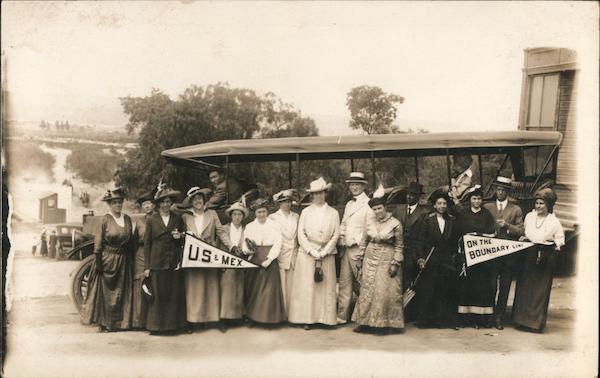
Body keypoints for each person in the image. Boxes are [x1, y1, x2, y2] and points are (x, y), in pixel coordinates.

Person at [288, 178, 340, 329]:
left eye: (321, 193)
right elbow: (300, 233)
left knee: (324, 286)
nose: (319, 196)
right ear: (312, 195)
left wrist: (324, 252)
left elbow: (336, 234)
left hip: (326, 253)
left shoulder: (333, 213)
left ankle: (325, 319)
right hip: (308, 254)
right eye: (315, 194)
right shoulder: (305, 212)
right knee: (308, 287)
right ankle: (308, 319)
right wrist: (311, 250)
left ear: (325, 193)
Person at [181, 187, 234, 331]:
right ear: (191, 202)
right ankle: (193, 320)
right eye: (195, 199)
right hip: (193, 255)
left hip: (209, 254)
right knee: (194, 287)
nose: (198, 201)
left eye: (200, 198)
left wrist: (231, 247)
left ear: (204, 200)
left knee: (211, 285)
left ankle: (214, 319)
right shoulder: (186, 216)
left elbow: (221, 232)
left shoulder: (212, 214)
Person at [81, 188, 134, 331]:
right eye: (114, 203)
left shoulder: (127, 219)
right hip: (107, 260)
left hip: (123, 261)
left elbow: (130, 241)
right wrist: (98, 262)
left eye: (119, 202)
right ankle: (104, 323)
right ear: (110, 205)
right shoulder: (105, 219)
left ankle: (119, 323)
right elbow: (98, 243)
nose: (118, 205)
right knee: (106, 293)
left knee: (120, 292)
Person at [512, 188, 565, 333]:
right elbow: (524, 231)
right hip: (528, 254)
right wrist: (523, 237)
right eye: (537, 203)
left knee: (539, 291)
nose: (538, 206)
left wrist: (556, 248)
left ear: (548, 205)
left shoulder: (554, 221)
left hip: (544, 257)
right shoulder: (529, 216)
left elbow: (560, 240)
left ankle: (535, 324)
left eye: (542, 203)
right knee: (524, 287)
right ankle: (520, 321)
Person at [351, 191, 404, 334]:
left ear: (385, 207)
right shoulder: (369, 222)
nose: (377, 211)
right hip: (369, 258)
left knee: (384, 291)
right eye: (374, 209)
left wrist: (395, 263)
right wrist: (360, 258)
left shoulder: (395, 223)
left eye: (379, 208)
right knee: (367, 290)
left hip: (387, 258)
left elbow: (399, 245)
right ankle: (364, 323)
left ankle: (385, 324)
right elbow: (364, 241)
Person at [144, 185, 187, 335]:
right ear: (158, 204)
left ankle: (172, 326)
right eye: (163, 202)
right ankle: (157, 327)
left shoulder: (177, 218)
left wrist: (179, 236)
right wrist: (147, 266)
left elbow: (184, 237)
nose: (166, 205)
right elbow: (147, 243)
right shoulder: (151, 219)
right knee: (158, 295)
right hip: (157, 261)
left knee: (173, 293)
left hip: (173, 261)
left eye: (168, 202)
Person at [483, 176, 524, 330]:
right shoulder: (488, 207)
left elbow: (521, 230)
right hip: (491, 254)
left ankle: (499, 316)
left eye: (503, 190)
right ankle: (490, 314)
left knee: (505, 286)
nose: (499, 192)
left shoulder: (515, 209)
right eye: (498, 189)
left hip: (508, 256)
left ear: (508, 192)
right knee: (491, 285)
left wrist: (507, 226)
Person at [414, 190, 459, 329]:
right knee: (429, 289)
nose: (442, 206)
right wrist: (420, 257)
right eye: (439, 203)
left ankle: (443, 320)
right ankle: (426, 320)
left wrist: (453, 256)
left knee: (445, 289)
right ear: (434, 205)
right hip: (430, 258)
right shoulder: (427, 219)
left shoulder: (451, 220)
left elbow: (455, 241)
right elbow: (420, 240)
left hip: (446, 260)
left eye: (444, 203)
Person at [453, 186, 497, 328]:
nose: (476, 201)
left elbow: (492, 233)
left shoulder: (486, 214)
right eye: (474, 198)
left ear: (482, 201)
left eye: (479, 199)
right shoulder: (464, 214)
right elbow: (458, 232)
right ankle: (465, 319)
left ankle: (479, 319)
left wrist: (479, 236)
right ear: (470, 200)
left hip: (482, 257)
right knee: (466, 286)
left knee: (481, 287)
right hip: (467, 257)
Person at [337, 172, 375, 324]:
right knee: (345, 283)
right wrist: (341, 236)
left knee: (363, 283)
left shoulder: (369, 203)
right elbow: (344, 223)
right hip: (345, 249)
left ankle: (366, 316)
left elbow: (370, 228)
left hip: (359, 249)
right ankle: (342, 316)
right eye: (352, 184)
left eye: (357, 184)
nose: (354, 187)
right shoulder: (349, 204)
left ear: (363, 186)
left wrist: (355, 240)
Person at [242, 198, 286, 325]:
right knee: (254, 288)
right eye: (259, 212)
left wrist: (270, 258)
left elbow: (278, 242)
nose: (261, 214)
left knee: (269, 289)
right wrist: (247, 251)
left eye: (264, 212)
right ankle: (254, 318)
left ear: (267, 212)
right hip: (255, 258)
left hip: (269, 257)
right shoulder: (250, 226)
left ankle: (269, 319)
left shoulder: (274, 225)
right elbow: (245, 243)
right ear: (255, 213)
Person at [392, 181, 429, 321]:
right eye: (408, 194)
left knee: (413, 282)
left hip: (415, 252)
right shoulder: (399, 209)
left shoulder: (424, 212)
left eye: (413, 195)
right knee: (398, 282)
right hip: (399, 250)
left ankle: (410, 313)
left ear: (419, 197)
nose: (409, 197)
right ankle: (399, 312)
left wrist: (420, 255)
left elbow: (424, 236)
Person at [269, 189, 300, 313]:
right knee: (282, 284)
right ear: (279, 203)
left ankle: (293, 314)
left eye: (288, 201)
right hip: (281, 254)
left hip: (294, 254)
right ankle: (282, 313)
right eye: (283, 202)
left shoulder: (296, 216)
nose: (286, 204)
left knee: (294, 285)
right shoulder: (273, 217)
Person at [220, 200, 249, 324]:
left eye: (240, 215)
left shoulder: (246, 228)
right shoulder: (225, 229)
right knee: (227, 287)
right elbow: (223, 241)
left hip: (242, 261)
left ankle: (239, 316)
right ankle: (226, 317)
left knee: (240, 287)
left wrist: (244, 251)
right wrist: (232, 248)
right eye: (235, 214)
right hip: (227, 261)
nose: (237, 217)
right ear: (231, 216)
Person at [131, 190, 156, 329]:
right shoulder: (140, 222)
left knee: (155, 284)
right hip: (141, 254)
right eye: (144, 204)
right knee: (141, 284)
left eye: (149, 203)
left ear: (153, 205)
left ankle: (153, 319)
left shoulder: (158, 218)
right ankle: (139, 320)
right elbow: (135, 241)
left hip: (155, 252)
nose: (147, 206)